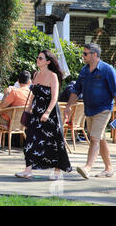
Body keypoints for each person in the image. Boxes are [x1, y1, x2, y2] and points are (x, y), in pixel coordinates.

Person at [63, 43, 116, 179]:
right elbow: (76, 90)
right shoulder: (84, 71)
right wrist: (68, 106)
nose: (83, 56)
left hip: (103, 109)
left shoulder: (107, 70)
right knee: (100, 138)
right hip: (89, 110)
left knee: (94, 138)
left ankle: (87, 168)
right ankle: (109, 168)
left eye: (85, 54)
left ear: (94, 54)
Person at [15, 50, 72, 180]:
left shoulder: (53, 76)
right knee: (30, 140)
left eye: (40, 58)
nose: (37, 60)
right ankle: (28, 170)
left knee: (54, 142)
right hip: (35, 113)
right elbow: (33, 96)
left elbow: (54, 97)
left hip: (50, 114)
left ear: (48, 61)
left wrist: (46, 113)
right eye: (37, 58)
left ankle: (57, 171)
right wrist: (29, 109)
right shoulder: (35, 75)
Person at [0, 70, 32, 148]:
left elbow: (3, 106)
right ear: (29, 82)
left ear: (18, 81)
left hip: (11, 121)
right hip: (26, 121)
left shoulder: (15, 92)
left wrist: (6, 93)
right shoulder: (32, 93)